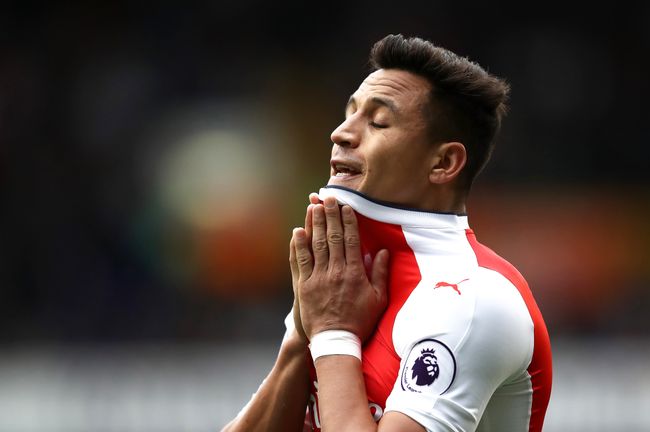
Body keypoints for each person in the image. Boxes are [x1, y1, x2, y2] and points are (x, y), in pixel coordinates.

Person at [222, 34, 552, 432]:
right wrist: (301, 337)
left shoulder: (472, 298)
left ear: (444, 162)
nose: (341, 133)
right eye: (349, 113)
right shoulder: (340, 280)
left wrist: (333, 334)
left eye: (377, 122)